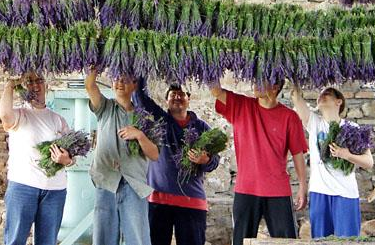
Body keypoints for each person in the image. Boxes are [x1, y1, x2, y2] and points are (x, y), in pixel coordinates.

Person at [210, 80, 308, 245]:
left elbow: (298, 154)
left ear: (276, 87)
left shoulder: (289, 117)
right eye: (254, 79)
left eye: (262, 80)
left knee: (288, 242)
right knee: (241, 241)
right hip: (246, 188)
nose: (255, 84)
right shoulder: (241, 106)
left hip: (278, 190)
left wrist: (303, 187)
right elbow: (216, 91)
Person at [133, 78, 220, 245]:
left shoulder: (202, 128)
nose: (177, 98)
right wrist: (141, 69)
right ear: (166, 101)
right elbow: (140, 99)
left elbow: (215, 161)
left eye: (182, 94)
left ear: (189, 99)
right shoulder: (160, 121)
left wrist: (205, 159)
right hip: (159, 201)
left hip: (192, 202)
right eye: (173, 95)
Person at [85, 70, 160, 245]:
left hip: (134, 185)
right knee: (103, 239)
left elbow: (155, 154)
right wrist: (95, 66)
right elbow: (90, 86)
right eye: (116, 79)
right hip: (107, 181)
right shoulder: (105, 107)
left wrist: (140, 135)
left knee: (138, 239)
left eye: (125, 80)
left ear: (134, 85)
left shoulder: (145, 118)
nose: (119, 83)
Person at [0, 71, 73, 245]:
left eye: (39, 80)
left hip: (55, 190)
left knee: (47, 241)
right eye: (29, 82)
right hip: (23, 186)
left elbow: (72, 155)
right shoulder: (19, 115)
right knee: (15, 240)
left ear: (45, 85)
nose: (35, 85)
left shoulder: (58, 120)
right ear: (23, 87)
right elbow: (4, 115)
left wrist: (67, 160)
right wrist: (10, 84)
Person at [291, 85, 374, 238]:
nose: (322, 95)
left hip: (345, 194)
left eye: (327, 93)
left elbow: (369, 162)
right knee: (321, 240)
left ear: (338, 102)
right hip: (319, 193)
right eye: (320, 94)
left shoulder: (353, 128)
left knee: (348, 240)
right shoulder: (314, 123)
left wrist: (347, 155)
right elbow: (296, 97)